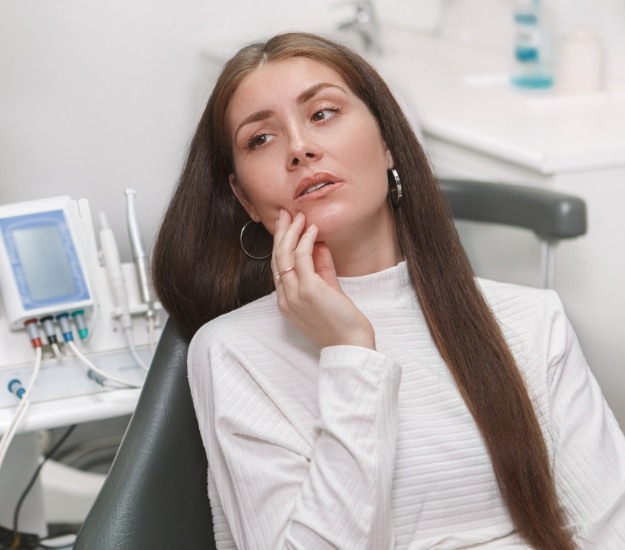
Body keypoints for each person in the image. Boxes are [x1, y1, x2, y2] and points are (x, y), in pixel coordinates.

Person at [152, 32, 625, 550]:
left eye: (323, 113)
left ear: (387, 142)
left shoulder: (532, 321)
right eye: (260, 139)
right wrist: (348, 351)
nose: (300, 148)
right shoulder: (231, 353)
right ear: (244, 198)